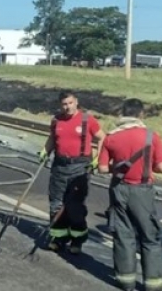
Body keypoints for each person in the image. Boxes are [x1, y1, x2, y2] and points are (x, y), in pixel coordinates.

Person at [98, 98, 162, 291]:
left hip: (119, 189)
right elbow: (159, 166)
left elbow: (101, 168)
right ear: (141, 114)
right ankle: (153, 284)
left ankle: (126, 281)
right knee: (149, 236)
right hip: (142, 191)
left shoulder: (111, 137)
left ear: (123, 113)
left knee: (123, 235)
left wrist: (119, 167)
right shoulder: (152, 137)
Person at [39, 89, 105, 254]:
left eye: (70, 103)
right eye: (64, 104)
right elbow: (52, 139)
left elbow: (103, 138)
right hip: (59, 166)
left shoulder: (87, 120)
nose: (67, 107)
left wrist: (98, 158)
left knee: (74, 206)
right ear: (60, 105)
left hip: (80, 168)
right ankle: (58, 238)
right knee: (56, 204)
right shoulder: (56, 120)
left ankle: (77, 241)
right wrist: (45, 150)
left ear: (76, 102)